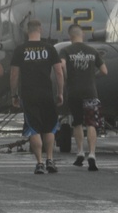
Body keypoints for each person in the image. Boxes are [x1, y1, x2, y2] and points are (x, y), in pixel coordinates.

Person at [9, 20, 64, 174]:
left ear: (28, 31)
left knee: (34, 129)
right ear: (40, 30)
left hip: (29, 94)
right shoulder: (50, 48)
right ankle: (50, 160)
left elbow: (14, 74)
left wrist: (14, 94)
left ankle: (39, 162)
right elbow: (59, 72)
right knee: (49, 128)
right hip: (46, 93)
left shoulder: (20, 50)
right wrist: (60, 92)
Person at [59, 25, 107, 171]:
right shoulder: (92, 51)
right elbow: (104, 71)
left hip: (74, 91)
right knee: (91, 123)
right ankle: (92, 154)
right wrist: (93, 76)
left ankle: (80, 152)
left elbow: (61, 65)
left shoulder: (66, 50)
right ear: (83, 35)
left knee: (77, 122)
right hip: (90, 91)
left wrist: (68, 77)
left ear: (70, 36)